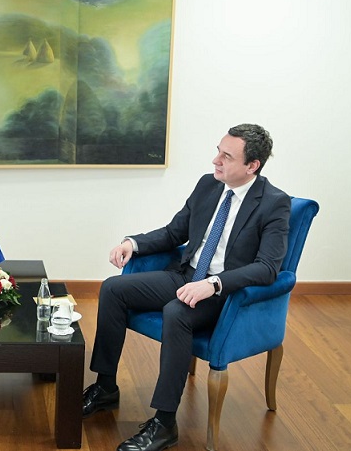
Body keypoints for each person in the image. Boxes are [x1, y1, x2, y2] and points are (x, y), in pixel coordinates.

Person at [83, 124, 291, 451]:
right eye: (218, 151)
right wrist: (132, 243)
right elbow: (173, 233)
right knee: (113, 288)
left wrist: (214, 284)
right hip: (185, 275)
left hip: (223, 294)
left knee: (176, 312)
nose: (215, 160)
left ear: (253, 165)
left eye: (227, 156)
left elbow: (268, 268)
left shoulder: (274, 204)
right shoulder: (209, 185)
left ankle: (165, 423)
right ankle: (106, 387)